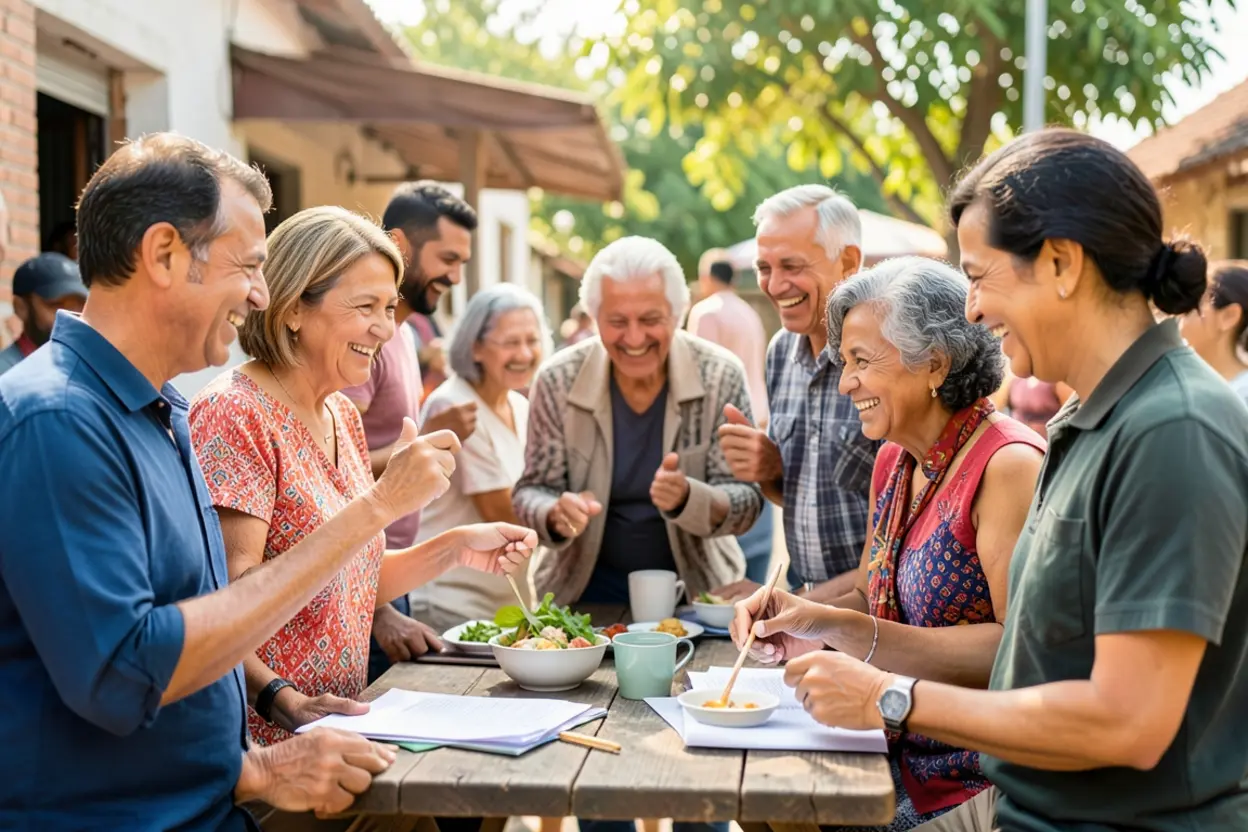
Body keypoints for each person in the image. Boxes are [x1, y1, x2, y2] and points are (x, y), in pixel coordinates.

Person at [778, 129, 1248, 832]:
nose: (969, 310)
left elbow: (1129, 722)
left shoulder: (1171, 430)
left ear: (1060, 263)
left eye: (978, 275)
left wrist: (890, 696)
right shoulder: (1095, 418)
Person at [0, 132, 473, 827]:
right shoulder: (56, 420)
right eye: (249, 266)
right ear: (164, 254)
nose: (259, 293)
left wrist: (253, 761)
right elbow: (125, 675)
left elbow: (211, 619)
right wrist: (375, 508)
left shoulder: (163, 411)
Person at [189, 205, 534, 750]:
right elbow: (230, 603)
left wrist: (456, 547)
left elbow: (351, 577)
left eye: (391, 307)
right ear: (294, 308)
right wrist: (282, 699)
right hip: (267, 748)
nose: (386, 327)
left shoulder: (341, 415)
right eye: (365, 306)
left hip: (347, 727)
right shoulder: (235, 412)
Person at [731, 257, 1044, 830]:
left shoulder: (1007, 464)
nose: (846, 381)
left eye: (861, 361)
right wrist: (807, 618)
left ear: (935, 363)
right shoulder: (896, 459)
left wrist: (847, 633)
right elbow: (873, 597)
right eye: (844, 362)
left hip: (968, 776)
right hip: (886, 747)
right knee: (756, 803)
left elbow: (1015, 648)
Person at [514, 235, 763, 606]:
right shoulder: (558, 380)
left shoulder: (719, 375)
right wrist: (553, 513)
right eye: (616, 321)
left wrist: (689, 498)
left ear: (678, 314)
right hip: (581, 599)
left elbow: (747, 503)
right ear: (594, 318)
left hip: (698, 599)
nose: (634, 338)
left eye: (650, 320)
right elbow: (529, 491)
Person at [341, 181, 481, 683]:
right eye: (448, 258)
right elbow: (334, 467)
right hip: (358, 578)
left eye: (463, 263)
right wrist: (377, 609)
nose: (456, 276)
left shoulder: (401, 332)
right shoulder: (366, 342)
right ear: (401, 245)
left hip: (390, 570)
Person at [716, 185, 879, 603]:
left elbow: (901, 534)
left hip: (878, 619)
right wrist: (771, 470)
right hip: (808, 608)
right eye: (764, 267)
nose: (774, 285)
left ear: (848, 262)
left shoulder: (887, 357)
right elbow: (803, 496)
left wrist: (797, 606)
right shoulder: (781, 353)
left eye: (791, 265)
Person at [410, 283, 549, 631]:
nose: (524, 353)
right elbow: (502, 514)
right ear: (475, 347)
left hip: (502, 604)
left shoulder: (519, 404)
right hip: (451, 603)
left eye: (532, 340)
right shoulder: (455, 406)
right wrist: (562, 514)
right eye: (510, 342)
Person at [687, 248, 774, 583]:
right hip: (759, 420)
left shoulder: (706, 312)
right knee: (756, 527)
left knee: (726, 527)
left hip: (723, 426)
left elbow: (699, 377)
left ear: (708, 277)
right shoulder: (749, 313)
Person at [0, 253, 87, 376]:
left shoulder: (88, 372)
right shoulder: (6, 377)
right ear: (21, 307)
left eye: (79, 307)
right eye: (56, 305)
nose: (71, 317)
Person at [1180, 260, 1248, 405]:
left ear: (1229, 316)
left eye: (1193, 305)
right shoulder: (1186, 385)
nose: (1178, 317)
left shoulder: (1241, 397)